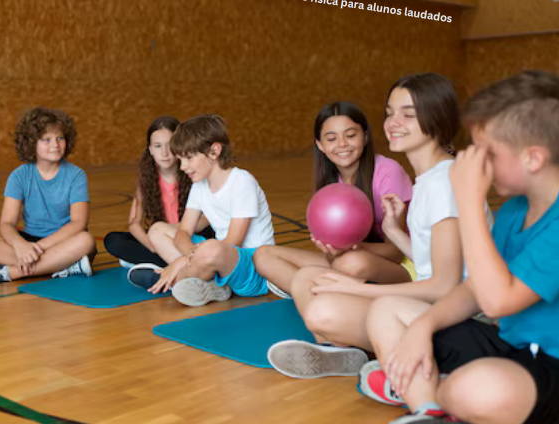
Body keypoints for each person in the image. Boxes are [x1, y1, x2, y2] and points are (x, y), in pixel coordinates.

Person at [361, 71, 559, 424]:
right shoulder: (515, 211)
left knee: (476, 389)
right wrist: (423, 326)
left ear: (532, 157)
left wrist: (467, 196)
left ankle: (421, 386)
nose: (473, 161)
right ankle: (430, 412)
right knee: (387, 310)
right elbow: (475, 289)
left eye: (486, 152)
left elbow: (495, 303)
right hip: (515, 350)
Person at [268, 73, 491, 379]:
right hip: (430, 302)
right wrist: (396, 230)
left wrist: (356, 289)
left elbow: (444, 285)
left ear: (437, 118)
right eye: (389, 113)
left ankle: (387, 359)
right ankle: (345, 353)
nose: (392, 122)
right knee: (307, 279)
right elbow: (432, 259)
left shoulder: (444, 184)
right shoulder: (429, 181)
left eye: (407, 114)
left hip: (458, 316)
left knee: (323, 309)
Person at [253, 101, 413, 299]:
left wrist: (356, 249)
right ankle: (321, 296)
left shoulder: (389, 172)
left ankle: (314, 291)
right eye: (331, 138)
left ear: (364, 136)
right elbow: (334, 255)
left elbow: (397, 253)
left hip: (400, 266)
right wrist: (333, 250)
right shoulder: (330, 183)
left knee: (351, 263)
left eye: (351, 135)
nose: (342, 144)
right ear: (320, 145)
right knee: (264, 255)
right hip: (349, 261)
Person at [128, 115, 275, 307]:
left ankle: (171, 280)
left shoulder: (241, 180)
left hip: (251, 268)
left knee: (212, 248)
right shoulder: (199, 186)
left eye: (188, 158)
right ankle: (210, 284)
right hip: (215, 256)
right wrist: (190, 255)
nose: (183, 167)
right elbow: (183, 231)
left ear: (214, 151)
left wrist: (181, 262)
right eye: (180, 159)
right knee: (157, 230)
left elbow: (233, 243)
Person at [0, 107, 95, 283]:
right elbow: (6, 224)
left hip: (63, 241)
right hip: (29, 241)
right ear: (31, 143)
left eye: (60, 138)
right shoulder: (18, 176)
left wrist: (36, 250)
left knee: (86, 240)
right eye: (46, 140)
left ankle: (10, 273)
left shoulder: (76, 175)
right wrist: (20, 246)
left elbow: (78, 223)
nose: (55, 144)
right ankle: (60, 268)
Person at [103, 116, 213, 269]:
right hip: (160, 238)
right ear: (150, 150)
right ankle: (166, 260)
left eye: (170, 145)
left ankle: (155, 262)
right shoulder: (147, 180)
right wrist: (152, 246)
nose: (165, 153)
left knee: (212, 238)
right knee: (113, 240)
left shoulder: (194, 173)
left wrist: (174, 231)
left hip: (190, 236)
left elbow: (207, 219)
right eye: (158, 146)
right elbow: (134, 223)